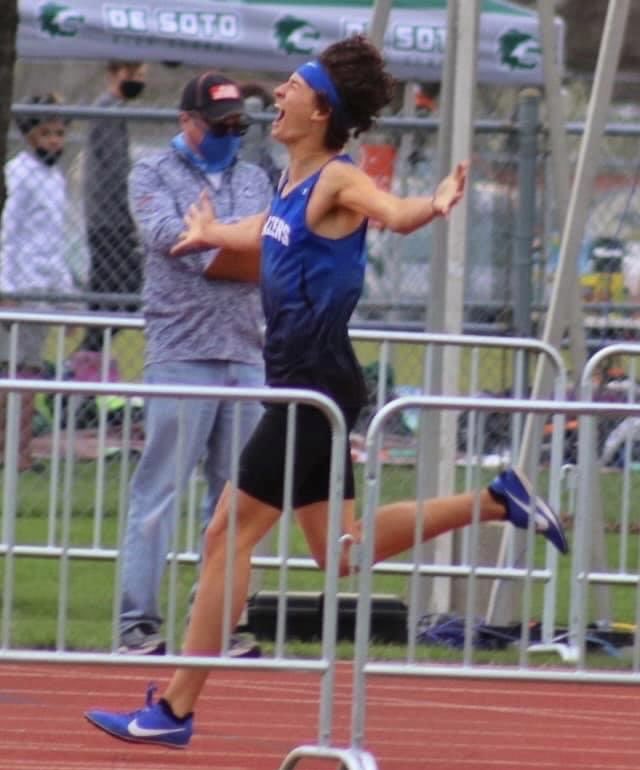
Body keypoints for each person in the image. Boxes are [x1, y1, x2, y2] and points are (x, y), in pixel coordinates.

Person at [85, 34, 569, 747]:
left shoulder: (340, 178)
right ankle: (497, 499)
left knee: (227, 533)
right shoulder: (291, 183)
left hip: (311, 383)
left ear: (320, 110)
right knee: (340, 553)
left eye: (290, 86)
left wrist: (430, 205)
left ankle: (176, 708)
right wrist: (210, 230)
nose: (276, 95)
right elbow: (270, 229)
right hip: (310, 381)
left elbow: (390, 208)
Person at [116, 72, 272, 657]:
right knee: (158, 492)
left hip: (246, 353)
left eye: (238, 125)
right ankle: (137, 623)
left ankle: (218, 626)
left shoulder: (255, 177)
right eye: (219, 124)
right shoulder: (152, 173)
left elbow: (267, 242)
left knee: (236, 502)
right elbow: (168, 238)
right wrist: (226, 243)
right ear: (188, 121)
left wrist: (217, 240)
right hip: (182, 354)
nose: (231, 134)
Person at [0, 93, 76, 471]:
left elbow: (55, 240)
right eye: (46, 133)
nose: (54, 142)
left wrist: (68, 298)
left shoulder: (56, 178)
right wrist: (7, 290)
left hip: (42, 293)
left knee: (28, 373)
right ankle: (13, 453)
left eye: (60, 133)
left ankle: (20, 451)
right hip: (17, 289)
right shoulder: (18, 173)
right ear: (29, 134)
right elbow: (7, 235)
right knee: (13, 373)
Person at [80, 60, 147, 353]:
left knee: (122, 294)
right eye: (130, 74)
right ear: (113, 75)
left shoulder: (115, 110)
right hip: (108, 221)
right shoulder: (107, 108)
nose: (137, 80)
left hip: (115, 220)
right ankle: (82, 364)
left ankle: (87, 361)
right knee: (118, 293)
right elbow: (116, 170)